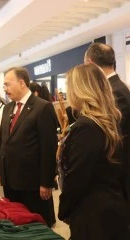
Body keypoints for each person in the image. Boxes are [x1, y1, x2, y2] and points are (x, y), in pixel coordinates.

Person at [58, 64, 128, 239]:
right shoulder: (105, 121)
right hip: (109, 206)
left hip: (93, 213)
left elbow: (77, 177)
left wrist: (64, 208)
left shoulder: (86, 127)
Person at [0, 67, 57, 227]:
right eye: (4, 86)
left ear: (21, 83)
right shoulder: (8, 108)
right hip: (10, 182)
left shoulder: (42, 107)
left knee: (36, 226)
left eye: (8, 84)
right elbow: (3, 141)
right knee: (16, 225)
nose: (5, 89)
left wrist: (46, 182)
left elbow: (49, 148)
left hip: (33, 184)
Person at [84, 42, 130, 202]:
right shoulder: (113, 88)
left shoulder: (115, 91)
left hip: (116, 175)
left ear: (90, 63)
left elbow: (113, 134)